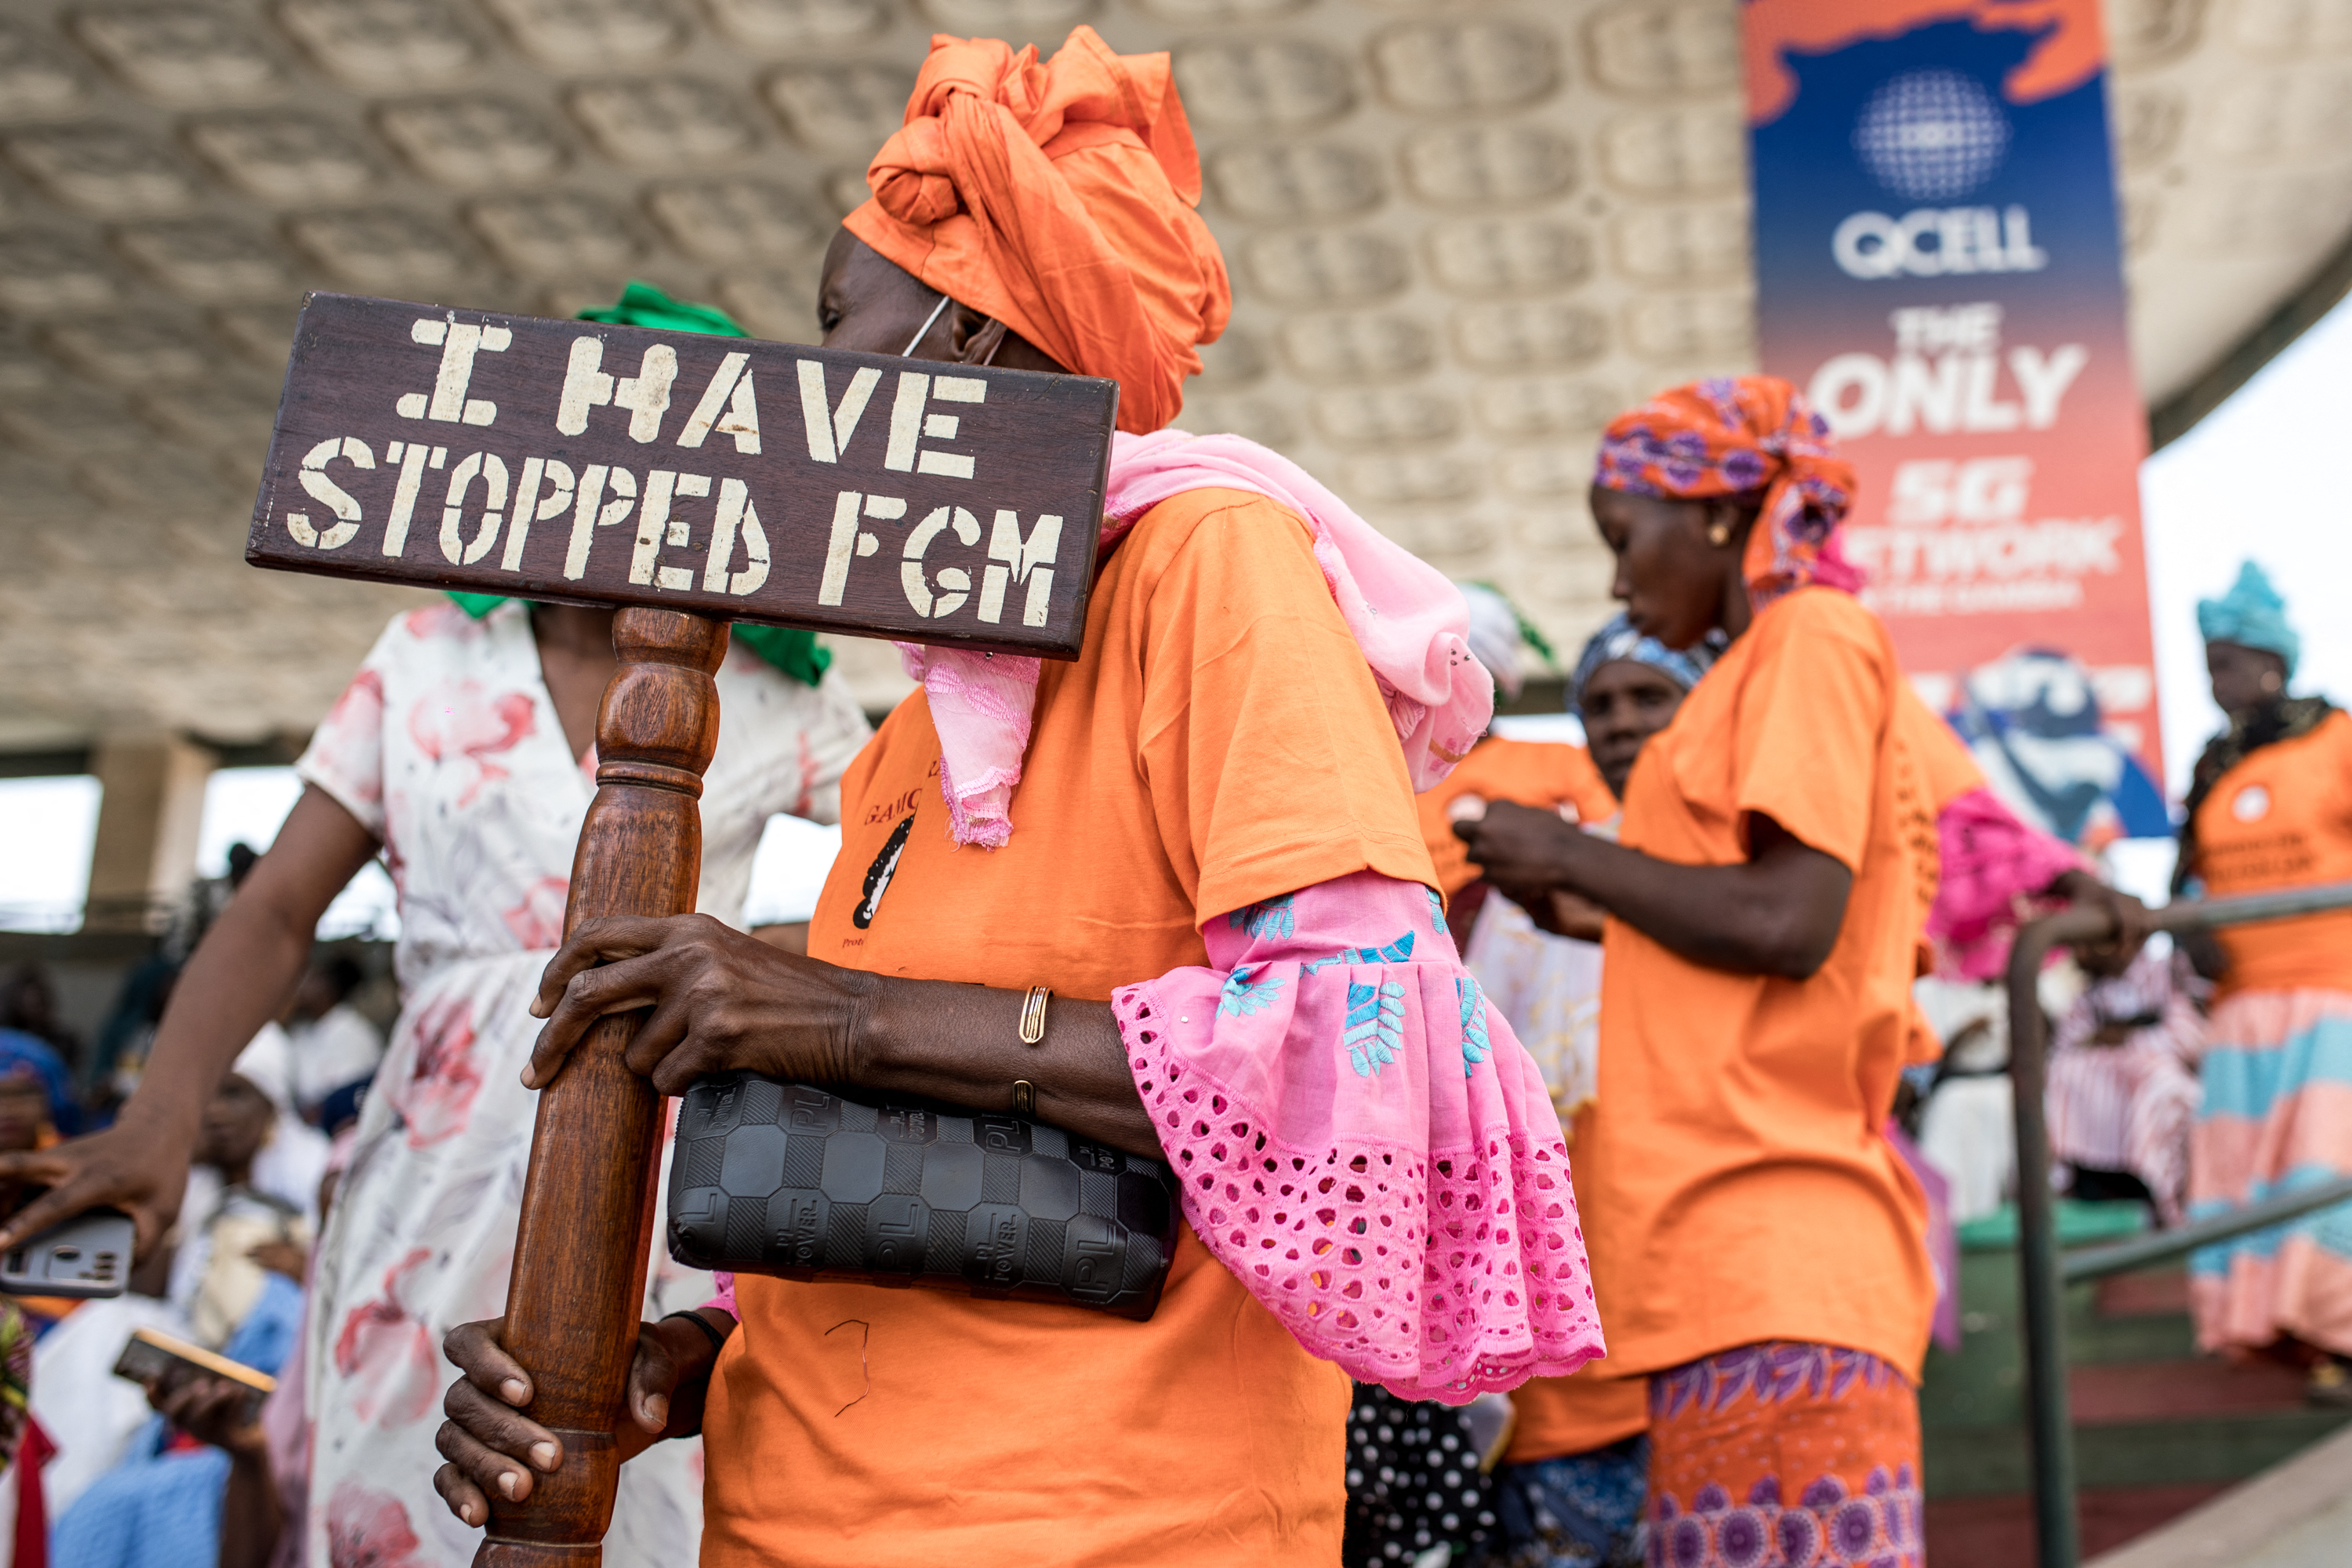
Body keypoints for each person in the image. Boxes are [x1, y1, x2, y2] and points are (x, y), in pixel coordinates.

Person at [429, 28, 1602, 1565]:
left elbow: (1350, 1060)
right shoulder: (914, 730)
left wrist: (834, 1010)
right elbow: (901, 1176)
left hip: (1113, 1526)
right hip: (794, 1517)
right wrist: (669, 1370)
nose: (808, 380)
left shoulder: (1212, 568)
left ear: (972, 351)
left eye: (841, 326)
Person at [0, 288, 874, 1568]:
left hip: (664, 1167)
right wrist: (160, 1118)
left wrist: (756, 961)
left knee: (648, 1489)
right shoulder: (422, 658)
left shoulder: (767, 689)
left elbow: (906, 876)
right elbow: (277, 905)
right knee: (398, 1482)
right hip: (436, 1155)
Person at [1453, 377, 2145, 1566]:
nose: (1620, 582)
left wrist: (1574, 851)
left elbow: (1790, 923)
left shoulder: (1811, 637)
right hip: (1727, 1263)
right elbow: (1747, 939)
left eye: (1625, 541)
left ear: (1719, 516)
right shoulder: (1751, 673)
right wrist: (1572, 902)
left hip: (1778, 1248)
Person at [2172, 561, 2352, 1396]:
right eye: (2208, 666)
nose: (2217, 683)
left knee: (2323, 1169)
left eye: (2228, 664)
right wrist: (2194, 927)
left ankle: (2339, 1333)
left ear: (2271, 661)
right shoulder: (2211, 764)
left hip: (2331, 994)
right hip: (2243, 1011)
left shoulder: (2334, 736)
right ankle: (2287, 1340)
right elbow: (2187, 881)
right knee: (2249, 1175)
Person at [280, 958, 380, 1126]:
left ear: (328, 987)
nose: (299, 989)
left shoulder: (354, 1033)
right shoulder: (302, 1030)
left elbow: (348, 1099)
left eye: (309, 980)